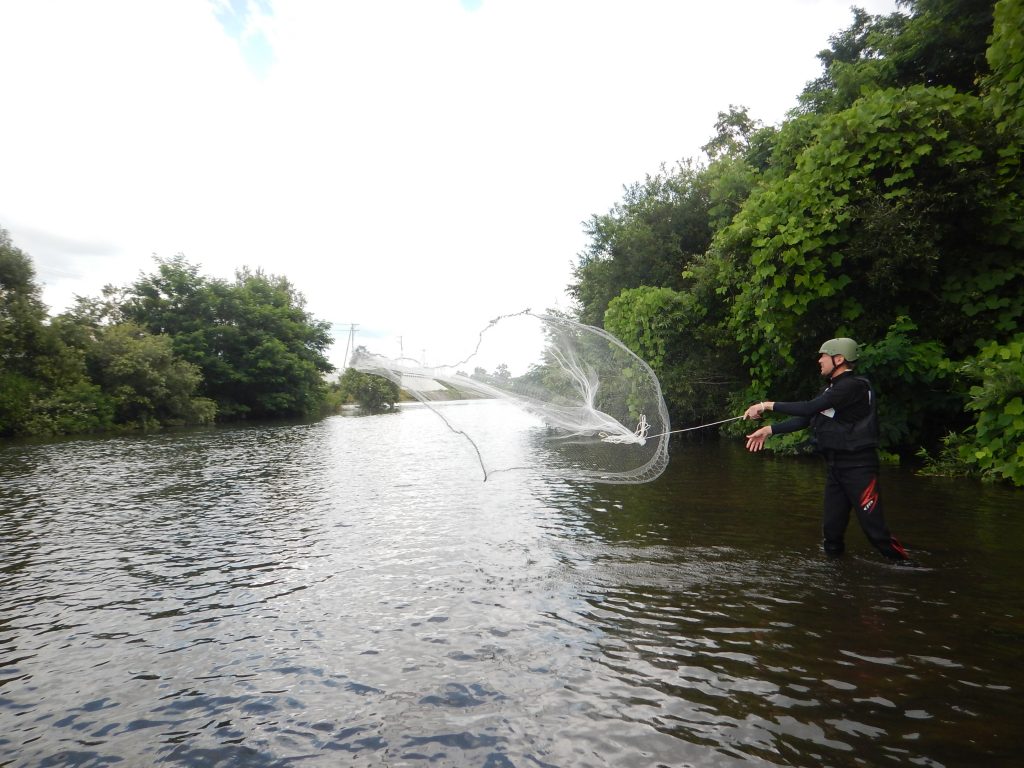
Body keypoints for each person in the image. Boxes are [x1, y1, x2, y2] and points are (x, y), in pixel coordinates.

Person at [743, 337, 912, 564]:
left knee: (876, 533)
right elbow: (807, 418)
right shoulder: (833, 390)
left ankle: (910, 569)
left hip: (859, 469)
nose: (819, 360)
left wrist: (765, 405)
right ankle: (836, 577)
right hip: (837, 468)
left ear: (839, 359)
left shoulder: (852, 387)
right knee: (831, 533)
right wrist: (769, 430)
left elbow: (809, 406)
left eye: (823, 356)